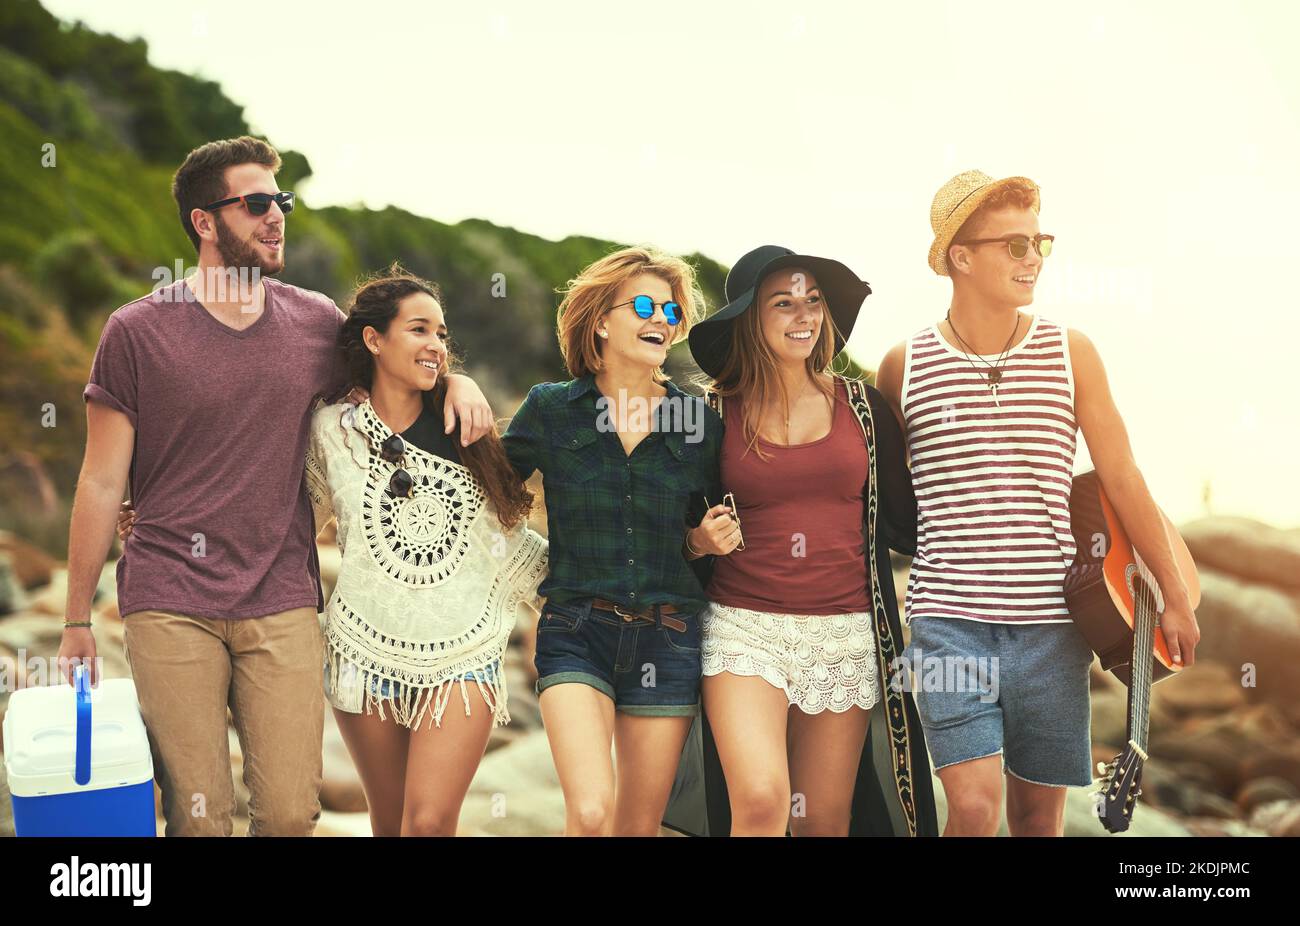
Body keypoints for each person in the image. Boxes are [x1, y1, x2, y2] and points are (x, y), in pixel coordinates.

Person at [64, 135, 495, 836]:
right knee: (200, 816)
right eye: (257, 202)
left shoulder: (317, 323)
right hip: (169, 595)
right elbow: (102, 477)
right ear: (204, 222)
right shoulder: (136, 332)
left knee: (292, 813)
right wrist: (77, 619)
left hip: (283, 596)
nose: (277, 217)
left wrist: (456, 377)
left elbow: (390, 381)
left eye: (281, 201)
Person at [873, 170, 1201, 836]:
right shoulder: (902, 365)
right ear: (960, 257)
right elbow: (884, 505)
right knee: (970, 806)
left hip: (1054, 626)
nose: (1032, 260)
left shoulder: (1070, 351)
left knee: (1038, 820)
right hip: (946, 624)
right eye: (1013, 245)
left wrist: (1172, 592)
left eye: (1038, 242)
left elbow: (1123, 475)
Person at [661, 246, 939, 837]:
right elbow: (673, 529)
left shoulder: (863, 409)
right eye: (783, 304)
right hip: (743, 627)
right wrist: (696, 542)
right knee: (762, 801)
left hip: (844, 632)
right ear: (750, 319)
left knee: (822, 820)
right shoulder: (711, 413)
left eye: (813, 301)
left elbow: (911, 520)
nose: (804, 315)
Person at [501, 246, 732, 836]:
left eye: (673, 310)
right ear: (601, 319)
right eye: (647, 305)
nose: (662, 319)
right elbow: (485, 492)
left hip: (669, 636)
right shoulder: (552, 408)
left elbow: (696, 541)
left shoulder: (700, 421)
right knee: (590, 813)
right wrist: (454, 388)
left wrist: (702, 542)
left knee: (636, 827)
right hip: (576, 630)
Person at [308, 267, 548, 836]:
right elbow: (286, 519)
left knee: (430, 822)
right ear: (374, 339)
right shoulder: (331, 431)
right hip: (363, 652)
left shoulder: (461, 422)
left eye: (442, 334)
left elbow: (502, 538)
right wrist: (166, 517)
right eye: (420, 330)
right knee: (390, 826)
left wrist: (588, 594)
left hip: (460, 653)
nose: (436, 346)